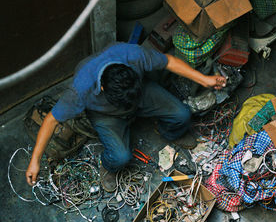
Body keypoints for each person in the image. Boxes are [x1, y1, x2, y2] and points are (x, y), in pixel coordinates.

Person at [25, 43, 226, 191]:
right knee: (121, 157)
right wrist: (35, 160)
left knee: (182, 115)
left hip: (138, 96)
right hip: (106, 115)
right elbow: (51, 119)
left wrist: (204, 79)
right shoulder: (80, 90)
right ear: (103, 88)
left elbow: (169, 61)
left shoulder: (132, 55)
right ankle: (108, 167)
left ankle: (168, 132)